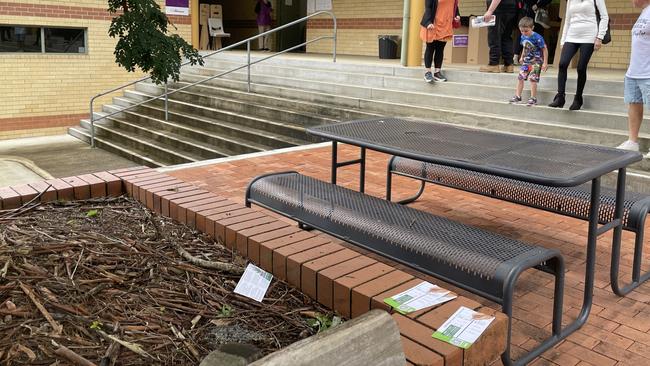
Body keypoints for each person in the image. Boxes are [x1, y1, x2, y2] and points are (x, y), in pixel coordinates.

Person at [548, 0, 609, 110]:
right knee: (562, 64)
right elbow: (567, 20)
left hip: (589, 36)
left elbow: (605, 17)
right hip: (571, 36)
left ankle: (578, 98)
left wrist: (599, 37)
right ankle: (560, 97)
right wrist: (563, 41)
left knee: (581, 68)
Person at [616, 0, 650, 155]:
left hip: (648, 72)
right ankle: (632, 141)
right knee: (634, 105)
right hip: (634, 71)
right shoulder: (644, 12)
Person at [509, 17, 548, 106]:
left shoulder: (538, 37)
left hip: (536, 61)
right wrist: (522, 56)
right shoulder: (523, 36)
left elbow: (544, 49)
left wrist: (545, 62)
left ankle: (533, 98)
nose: (524, 33)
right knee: (521, 78)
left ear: (532, 28)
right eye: (522, 31)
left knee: (533, 79)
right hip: (526, 61)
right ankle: (518, 96)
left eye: (526, 31)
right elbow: (525, 46)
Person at [421, 0, 461, 82]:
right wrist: (428, 22)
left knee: (440, 49)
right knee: (430, 47)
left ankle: (437, 72)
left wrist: (457, 15)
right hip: (433, 24)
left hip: (445, 24)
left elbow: (455, 7)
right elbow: (428, 8)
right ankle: (428, 72)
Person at [481, 0, 519, 73]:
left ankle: (493, 64)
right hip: (511, 7)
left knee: (494, 36)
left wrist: (490, 11)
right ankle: (508, 65)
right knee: (506, 36)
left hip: (498, 8)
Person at [513, 0, 552, 65]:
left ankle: (538, 57)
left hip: (538, 14)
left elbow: (544, 47)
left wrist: (538, 5)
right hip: (528, 12)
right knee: (524, 36)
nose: (524, 32)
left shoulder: (538, 37)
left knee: (537, 37)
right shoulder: (523, 34)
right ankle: (516, 55)